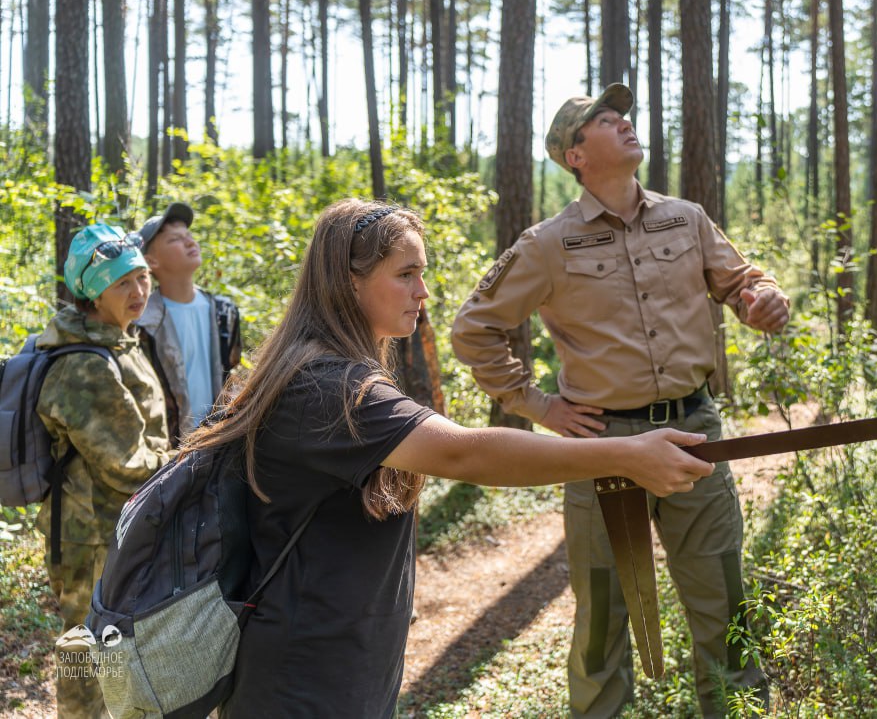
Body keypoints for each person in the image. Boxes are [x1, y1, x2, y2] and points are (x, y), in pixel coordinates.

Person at [178, 198, 712, 718]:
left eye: (422, 273)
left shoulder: (332, 372)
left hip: (336, 662)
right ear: (349, 282)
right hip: (305, 675)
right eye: (406, 274)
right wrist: (623, 455)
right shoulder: (328, 389)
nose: (423, 292)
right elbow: (463, 454)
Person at [450, 83, 791, 718]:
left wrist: (762, 299)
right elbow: (473, 329)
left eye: (624, 115)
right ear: (574, 155)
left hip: (694, 432)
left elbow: (743, 281)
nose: (625, 123)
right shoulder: (547, 244)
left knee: (723, 601)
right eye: (606, 120)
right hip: (602, 449)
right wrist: (538, 405)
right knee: (605, 614)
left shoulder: (685, 218)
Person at [36, 223, 171, 718]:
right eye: (122, 283)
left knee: (111, 646)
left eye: (141, 278)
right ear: (94, 294)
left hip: (114, 526)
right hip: (88, 534)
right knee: (85, 646)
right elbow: (126, 464)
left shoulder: (118, 340)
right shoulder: (85, 364)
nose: (138, 292)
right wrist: (191, 460)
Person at [133, 202, 241, 445]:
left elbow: (231, 375)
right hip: (167, 451)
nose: (190, 242)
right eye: (174, 240)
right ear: (152, 262)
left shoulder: (224, 313)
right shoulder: (141, 323)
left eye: (189, 236)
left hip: (218, 443)